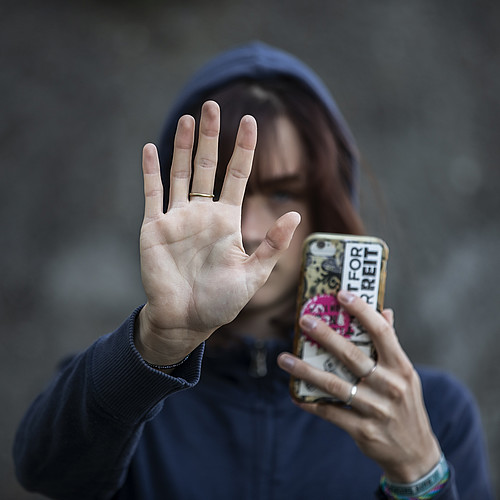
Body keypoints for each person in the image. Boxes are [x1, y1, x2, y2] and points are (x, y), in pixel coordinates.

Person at [14, 42, 493, 499]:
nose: (245, 227)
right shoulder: (117, 390)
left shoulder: (435, 414)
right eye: (224, 193)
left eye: (283, 194)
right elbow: (44, 472)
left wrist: (419, 475)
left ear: (325, 210)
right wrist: (158, 345)